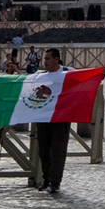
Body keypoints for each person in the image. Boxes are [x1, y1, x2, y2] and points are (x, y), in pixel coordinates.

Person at [31, 49, 71, 194]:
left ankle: (55, 182)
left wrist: (100, 75)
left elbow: (87, 79)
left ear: (56, 59)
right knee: (44, 150)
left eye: (48, 58)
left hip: (61, 118)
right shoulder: (39, 76)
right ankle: (46, 179)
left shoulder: (68, 72)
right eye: (44, 58)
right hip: (43, 118)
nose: (45, 62)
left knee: (58, 151)